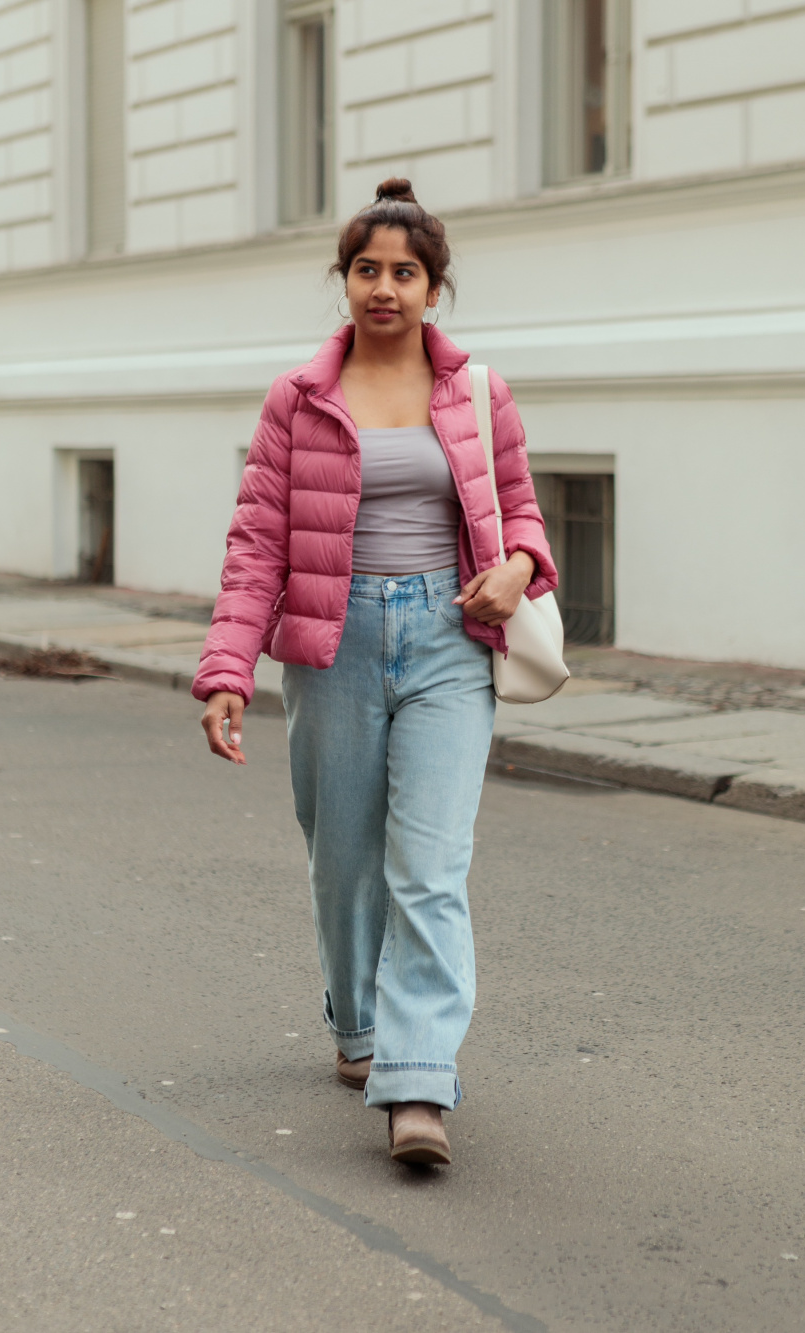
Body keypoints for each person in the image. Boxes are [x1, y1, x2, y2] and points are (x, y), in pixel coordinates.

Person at [193, 179, 557, 1166]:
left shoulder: (479, 392)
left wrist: (517, 568)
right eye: (367, 269)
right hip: (334, 638)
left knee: (430, 867)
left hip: (448, 638)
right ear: (344, 281)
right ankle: (357, 1024)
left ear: (434, 288)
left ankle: (417, 1081)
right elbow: (257, 541)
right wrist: (227, 666)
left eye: (405, 271)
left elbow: (522, 510)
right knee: (344, 858)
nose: (384, 287)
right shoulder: (299, 398)